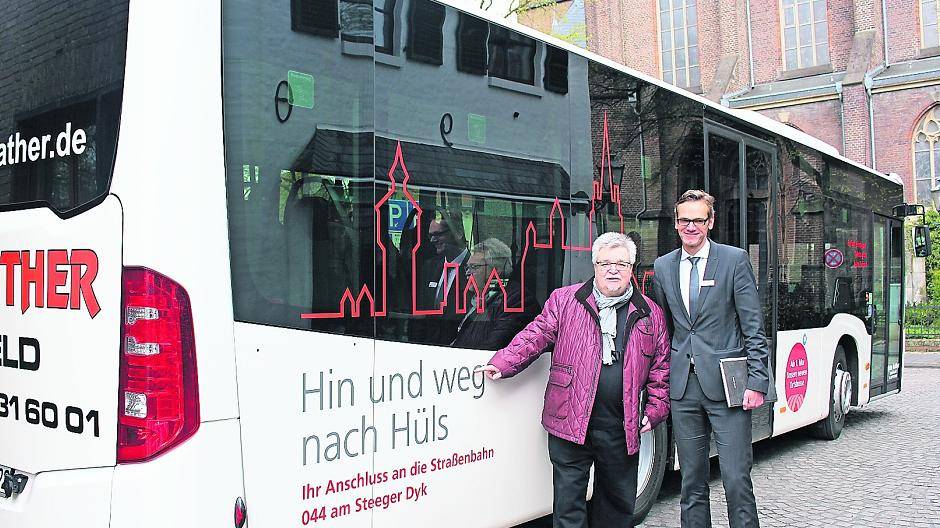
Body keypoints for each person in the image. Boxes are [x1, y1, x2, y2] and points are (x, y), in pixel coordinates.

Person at [479, 232, 670, 528]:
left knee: (617, 507)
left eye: (621, 263)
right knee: (568, 508)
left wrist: (655, 411)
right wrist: (504, 362)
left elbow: (661, 369)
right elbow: (536, 334)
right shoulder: (566, 300)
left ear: (632, 268)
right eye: (605, 262)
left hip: (621, 426)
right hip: (571, 420)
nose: (613, 270)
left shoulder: (650, 313)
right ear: (594, 266)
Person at [650, 190, 772, 528]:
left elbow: (752, 326)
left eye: (698, 220)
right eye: (684, 220)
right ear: (676, 224)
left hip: (729, 387)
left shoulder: (733, 260)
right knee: (691, 482)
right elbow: (666, 329)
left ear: (711, 222)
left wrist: (757, 382)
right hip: (684, 389)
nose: (691, 226)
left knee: (735, 480)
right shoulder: (662, 266)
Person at [451, 238, 538, 350]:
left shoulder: (516, 300)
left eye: (474, 267)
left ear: (496, 270)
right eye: (467, 267)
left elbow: (495, 345)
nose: (468, 273)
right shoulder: (475, 299)